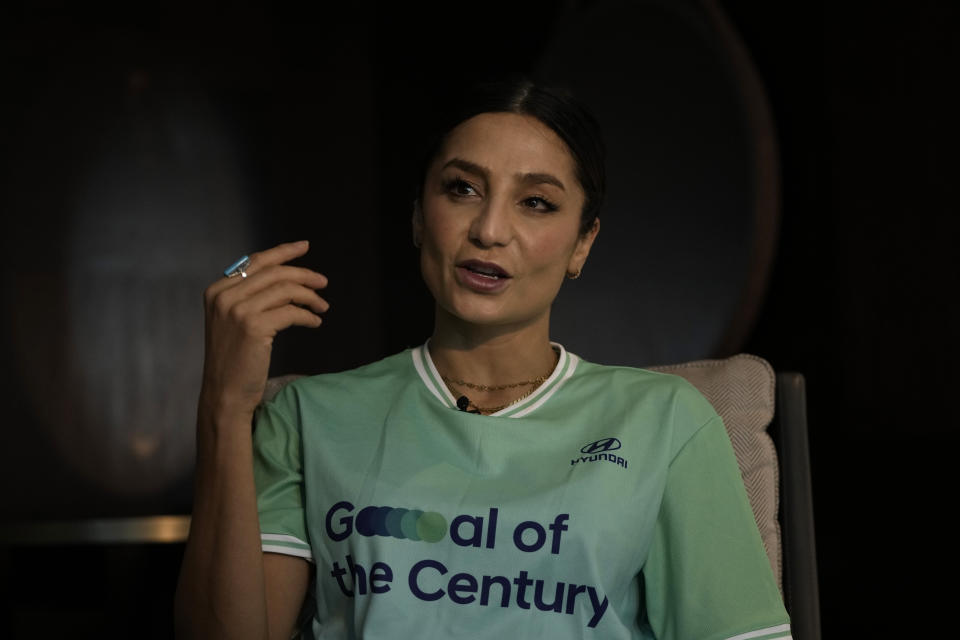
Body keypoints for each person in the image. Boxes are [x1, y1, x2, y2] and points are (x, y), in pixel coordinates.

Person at [175, 79, 791, 639]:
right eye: (462, 189)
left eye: (537, 202)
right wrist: (225, 407)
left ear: (583, 243)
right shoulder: (309, 417)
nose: (490, 229)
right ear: (420, 215)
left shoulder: (667, 422)